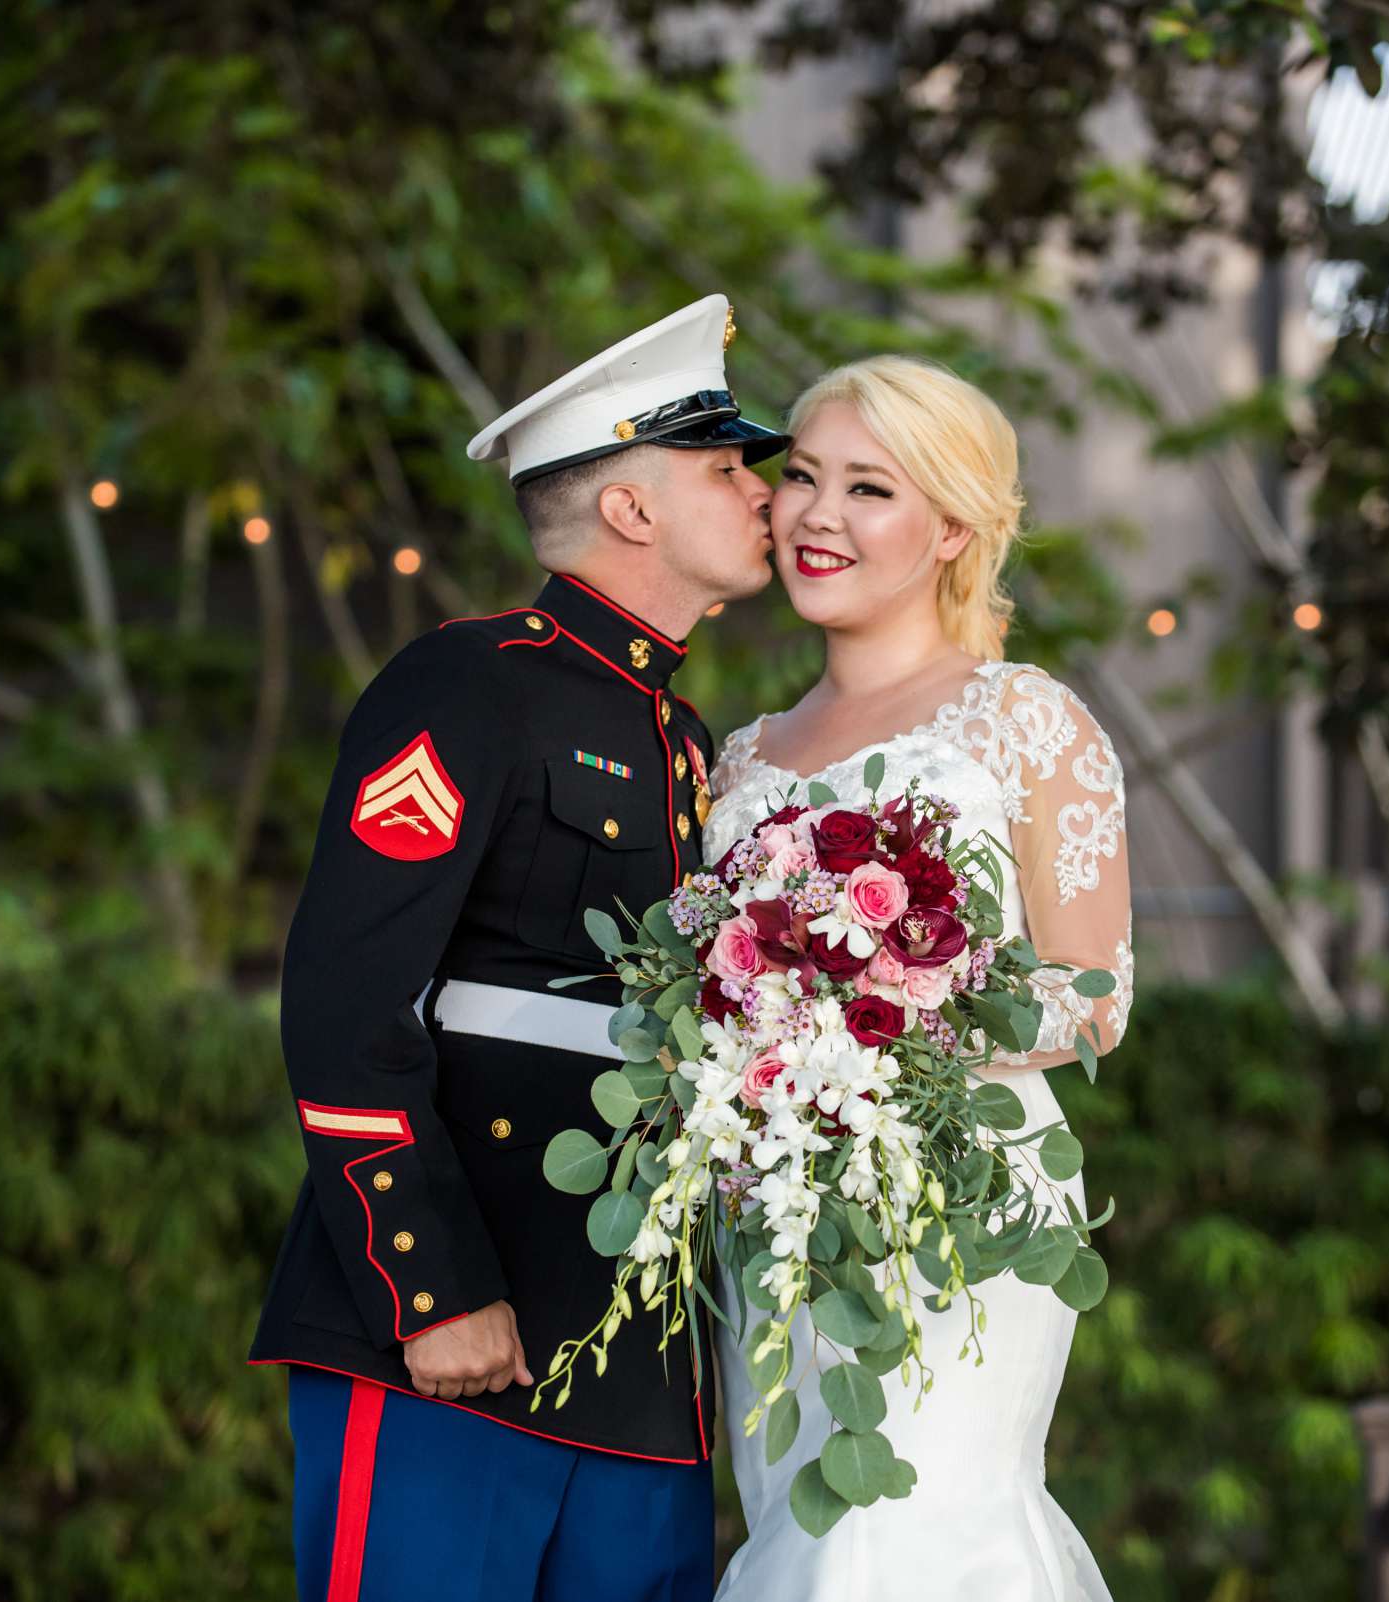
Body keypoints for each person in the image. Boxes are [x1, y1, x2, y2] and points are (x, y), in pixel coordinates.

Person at [251, 295, 786, 1602]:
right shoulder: (467, 684)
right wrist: (425, 1286)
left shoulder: (685, 737)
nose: (764, 495)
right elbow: (345, 1004)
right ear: (633, 509)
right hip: (457, 1334)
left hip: (641, 1374)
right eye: (726, 468)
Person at [703, 355, 1134, 1601]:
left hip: (966, 1201)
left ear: (952, 528)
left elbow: (1094, 997)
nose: (816, 516)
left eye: (868, 489)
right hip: (776, 1213)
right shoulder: (742, 760)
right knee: (805, 1526)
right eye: (802, 478)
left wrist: (882, 1020)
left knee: (910, 1527)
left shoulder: (1024, 720)